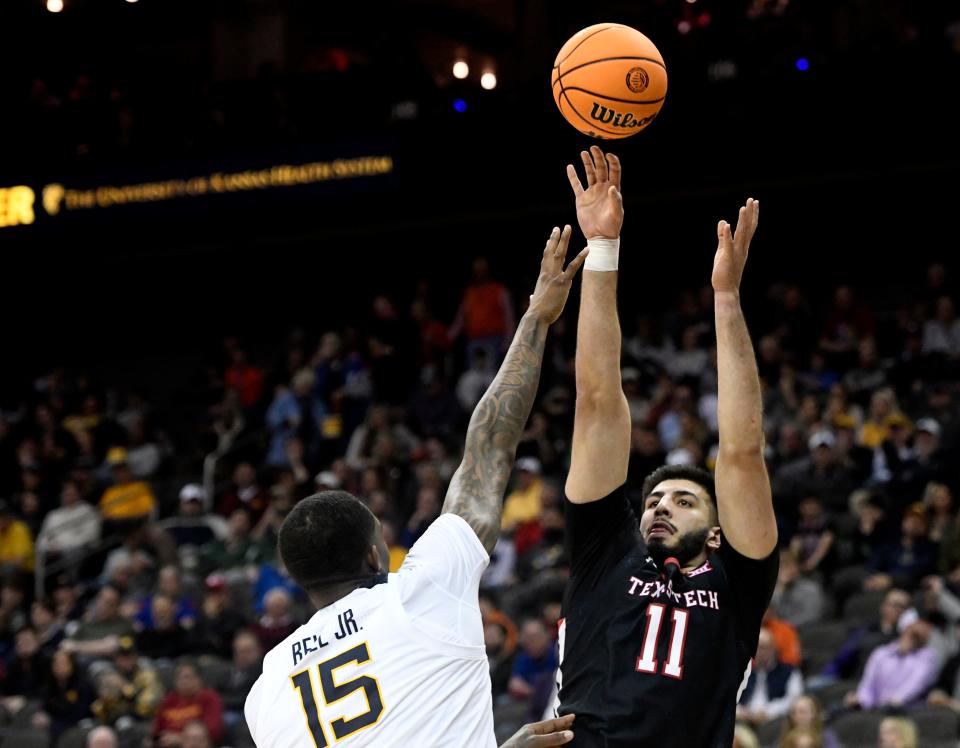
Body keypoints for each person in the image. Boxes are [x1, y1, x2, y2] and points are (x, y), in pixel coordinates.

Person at [244, 224, 587, 746]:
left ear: (296, 577)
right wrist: (537, 318)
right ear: (372, 555)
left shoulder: (265, 690)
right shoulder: (421, 591)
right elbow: (489, 446)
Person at [554, 147, 778, 746]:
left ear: (715, 533)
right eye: (655, 499)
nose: (659, 506)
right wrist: (602, 248)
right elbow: (598, 399)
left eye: (683, 501)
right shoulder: (606, 552)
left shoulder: (738, 583)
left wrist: (726, 297)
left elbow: (741, 451)